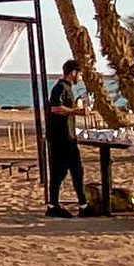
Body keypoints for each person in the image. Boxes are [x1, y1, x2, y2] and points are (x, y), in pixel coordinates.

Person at [44, 56, 89, 214]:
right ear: (73, 73)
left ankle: (54, 204)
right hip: (62, 137)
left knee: (61, 171)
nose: (80, 77)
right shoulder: (61, 87)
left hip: (65, 135)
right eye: (80, 74)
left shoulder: (67, 88)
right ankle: (82, 205)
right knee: (74, 169)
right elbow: (55, 108)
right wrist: (77, 111)